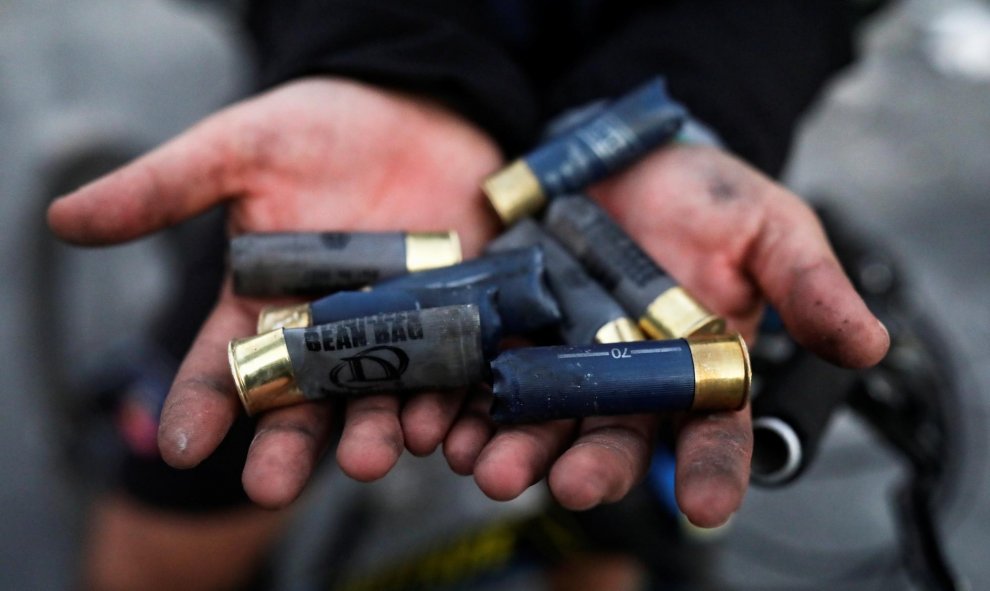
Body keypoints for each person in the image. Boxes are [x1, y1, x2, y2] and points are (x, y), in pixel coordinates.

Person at [47, 1, 891, 588]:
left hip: (649, 129)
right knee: (153, 566)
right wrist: (380, 53)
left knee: (600, 508)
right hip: (365, 109)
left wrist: (717, 91)